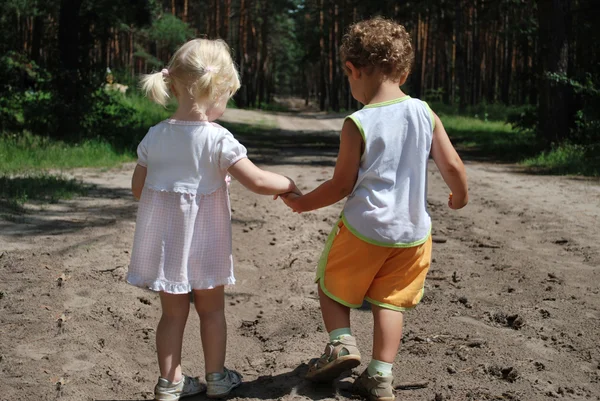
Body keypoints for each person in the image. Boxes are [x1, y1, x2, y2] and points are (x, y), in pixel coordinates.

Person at [278, 17, 468, 401]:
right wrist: (460, 195)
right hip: (413, 234)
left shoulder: (358, 122)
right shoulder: (425, 113)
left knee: (330, 283)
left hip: (365, 226)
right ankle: (380, 374)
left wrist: (302, 203)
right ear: (405, 70)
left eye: (348, 77)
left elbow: (342, 184)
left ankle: (342, 342)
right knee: (390, 300)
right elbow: (451, 165)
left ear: (353, 69)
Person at [127, 38, 300, 401]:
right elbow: (255, 181)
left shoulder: (154, 136)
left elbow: (138, 190)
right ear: (216, 90)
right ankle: (217, 377)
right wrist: (287, 183)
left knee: (171, 316)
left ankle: (170, 382)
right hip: (206, 243)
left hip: (167, 245)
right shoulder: (218, 139)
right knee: (212, 310)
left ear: (172, 85)